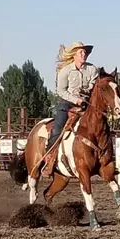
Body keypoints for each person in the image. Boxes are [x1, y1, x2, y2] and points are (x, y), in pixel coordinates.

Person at [42, 41, 98, 176]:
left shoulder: (92, 69)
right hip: (68, 102)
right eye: (81, 52)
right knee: (57, 129)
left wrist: (86, 92)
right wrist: (75, 99)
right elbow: (61, 91)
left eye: (85, 52)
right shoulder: (65, 71)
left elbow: (94, 84)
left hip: (87, 102)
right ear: (74, 55)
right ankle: (49, 159)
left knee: (100, 123)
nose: (84, 54)